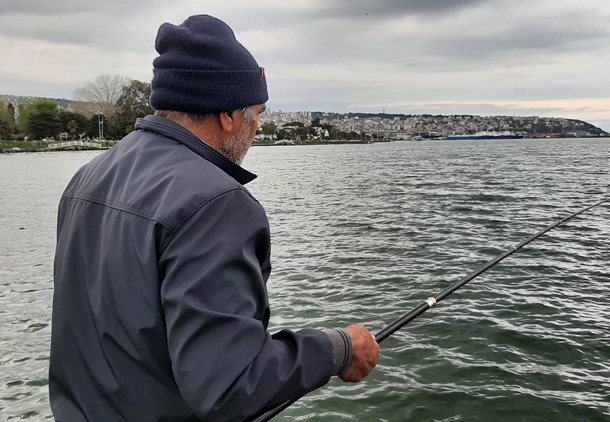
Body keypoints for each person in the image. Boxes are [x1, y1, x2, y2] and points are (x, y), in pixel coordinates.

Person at [49, 14, 380, 421]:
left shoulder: (87, 178)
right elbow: (230, 386)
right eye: (256, 112)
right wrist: (337, 349)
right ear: (227, 114)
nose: (258, 125)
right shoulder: (216, 202)